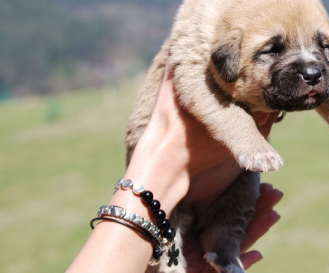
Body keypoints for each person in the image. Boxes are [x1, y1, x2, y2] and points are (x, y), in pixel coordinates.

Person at [68, 62, 283, 273]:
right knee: (174, 257)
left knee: (231, 219)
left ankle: (222, 246)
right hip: (167, 204)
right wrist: (166, 165)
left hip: (220, 190)